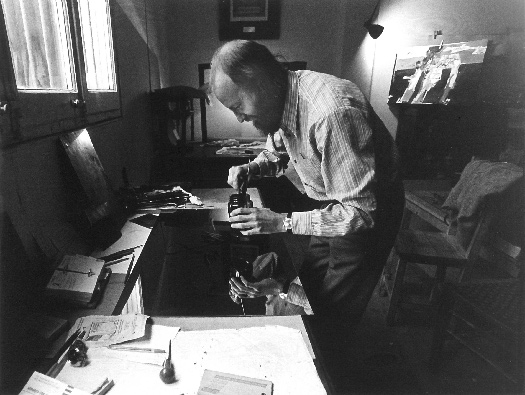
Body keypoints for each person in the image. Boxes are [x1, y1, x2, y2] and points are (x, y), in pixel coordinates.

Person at [209, 40, 405, 321]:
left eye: (239, 105)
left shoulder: (330, 114)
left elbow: (361, 213)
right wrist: (253, 167)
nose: (240, 118)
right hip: (332, 206)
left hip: (366, 213)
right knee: (310, 289)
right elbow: (279, 149)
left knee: (333, 314)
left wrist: (282, 222)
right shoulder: (283, 99)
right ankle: (300, 307)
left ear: (262, 82)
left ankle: (330, 354)